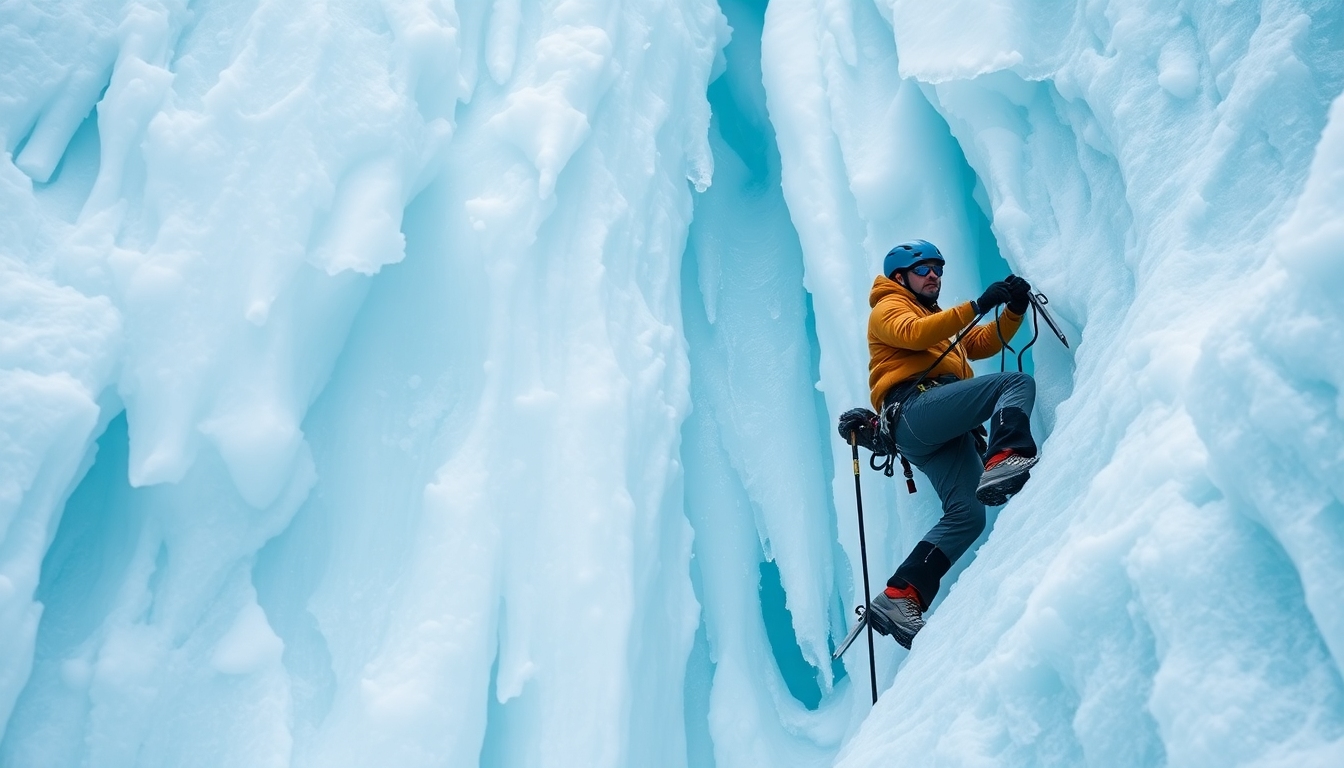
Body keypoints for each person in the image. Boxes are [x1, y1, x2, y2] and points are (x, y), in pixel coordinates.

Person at [862, 239, 1039, 649]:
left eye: (938, 269)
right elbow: (912, 334)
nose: (933, 276)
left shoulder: (933, 317)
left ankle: (901, 594)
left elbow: (978, 344)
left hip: (933, 428)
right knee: (1014, 384)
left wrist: (1013, 309)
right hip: (916, 408)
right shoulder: (888, 307)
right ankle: (1005, 455)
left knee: (968, 516)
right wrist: (978, 304)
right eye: (923, 269)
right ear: (899, 277)